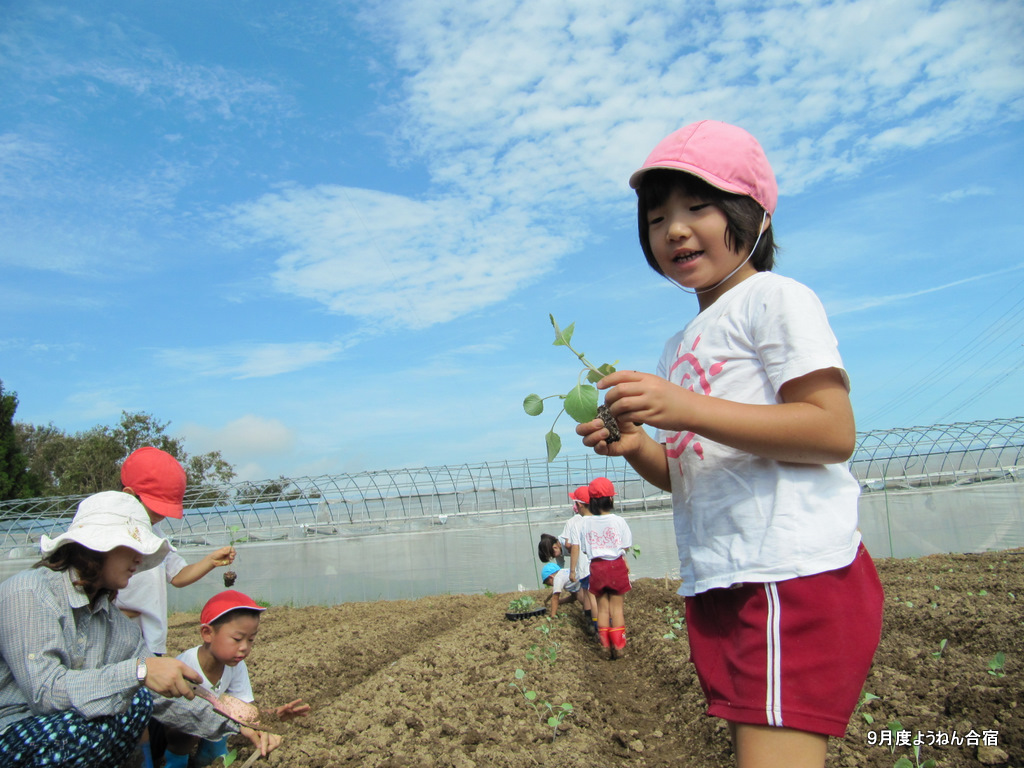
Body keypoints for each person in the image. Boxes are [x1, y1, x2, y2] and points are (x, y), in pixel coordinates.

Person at [576, 120, 884, 768]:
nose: (675, 230)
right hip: (725, 578)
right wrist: (635, 445)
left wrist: (685, 405)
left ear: (755, 215)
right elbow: (688, 472)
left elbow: (832, 430)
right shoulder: (678, 345)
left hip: (787, 573)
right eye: (657, 218)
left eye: (698, 207)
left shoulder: (775, 299)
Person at [0, 491, 239, 768]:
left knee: (134, 700)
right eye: (133, 546)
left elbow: (164, 696)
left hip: (68, 736)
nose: (140, 559)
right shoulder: (30, 592)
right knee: (110, 710)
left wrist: (239, 724)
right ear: (99, 545)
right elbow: (46, 693)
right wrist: (139, 671)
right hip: (12, 733)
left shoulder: (115, 624)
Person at [115, 446, 236, 767]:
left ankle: (159, 758)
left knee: (145, 710)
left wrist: (210, 561)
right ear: (129, 494)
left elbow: (178, 577)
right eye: (156, 507)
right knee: (129, 714)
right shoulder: (109, 537)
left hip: (151, 645)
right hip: (118, 647)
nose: (161, 514)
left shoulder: (157, 537)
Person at [164, 590, 310, 767]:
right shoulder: (187, 666)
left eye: (250, 640)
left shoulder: (236, 665)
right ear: (207, 633)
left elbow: (242, 709)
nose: (244, 648)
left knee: (226, 708)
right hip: (170, 729)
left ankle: (211, 755)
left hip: (205, 722)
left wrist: (268, 717)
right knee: (196, 721)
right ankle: (173, 760)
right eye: (237, 639)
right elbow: (179, 715)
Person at [572, 478, 632, 659]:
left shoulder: (586, 523)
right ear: (611, 500)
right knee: (617, 608)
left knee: (603, 608)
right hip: (615, 566)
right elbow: (626, 545)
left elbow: (584, 548)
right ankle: (619, 646)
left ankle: (605, 646)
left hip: (597, 567)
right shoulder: (619, 521)